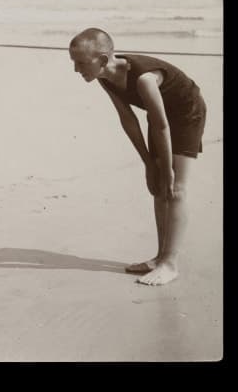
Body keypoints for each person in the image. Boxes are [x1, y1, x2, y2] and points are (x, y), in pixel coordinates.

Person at [67, 28, 207, 286]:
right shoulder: (104, 77)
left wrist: (166, 168)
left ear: (103, 59)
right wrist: (148, 164)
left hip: (187, 112)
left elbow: (162, 125)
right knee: (157, 187)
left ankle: (170, 263)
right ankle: (159, 257)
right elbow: (128, 119)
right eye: (74, 62)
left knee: (175, 187)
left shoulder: (143, 79)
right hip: (159, 120)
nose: (76, 69)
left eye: (81, 62)